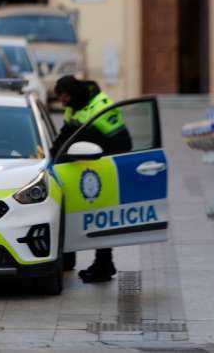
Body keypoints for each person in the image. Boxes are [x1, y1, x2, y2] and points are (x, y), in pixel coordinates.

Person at [50, 75, 131, 283]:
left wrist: (95, 154)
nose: (63, 103)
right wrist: (52, 157)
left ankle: (104, 265)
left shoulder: (102, 107)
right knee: (69, 213)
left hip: (101, 169)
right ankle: (68, 258)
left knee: (100, 218)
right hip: (76, 168)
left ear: (74, 93)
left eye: (65, 98)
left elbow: (123, 143)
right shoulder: (73, 106)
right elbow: (65, 136)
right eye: (60, 99)